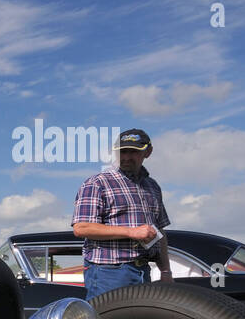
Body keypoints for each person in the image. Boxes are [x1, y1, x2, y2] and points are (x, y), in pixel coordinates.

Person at [72, 128, 173, 299]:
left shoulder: (152, 186)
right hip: (108, 272)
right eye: (122, 151)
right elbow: (81, 228)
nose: (126, 157)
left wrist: (165, 271)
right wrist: (131, 232)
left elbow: (160, 231)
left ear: (148, 152)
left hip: (143, 270)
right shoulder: (97, 183)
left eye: (133, 152)